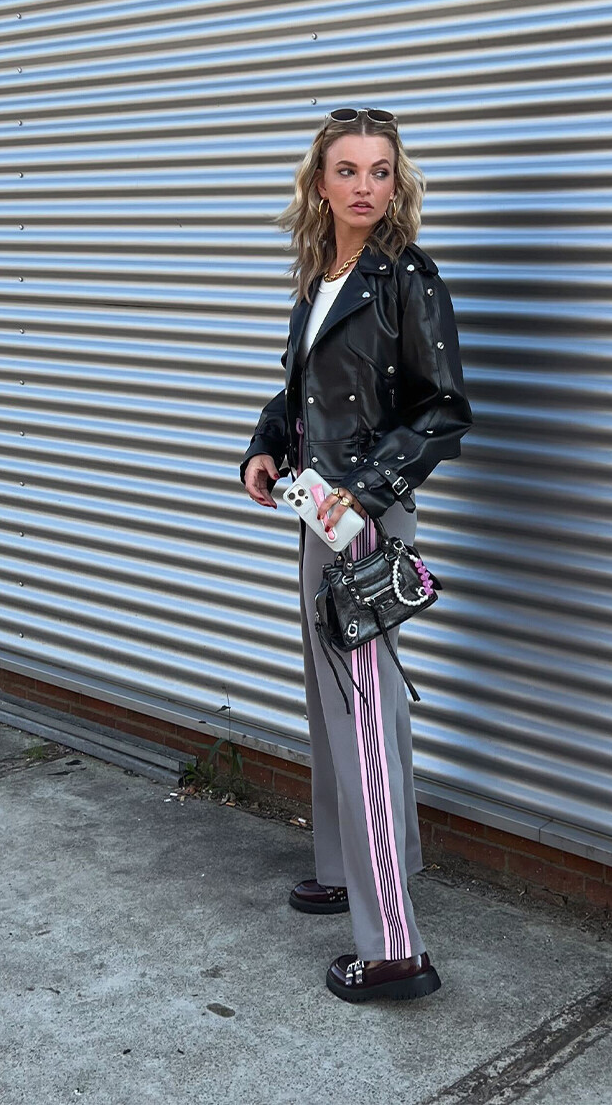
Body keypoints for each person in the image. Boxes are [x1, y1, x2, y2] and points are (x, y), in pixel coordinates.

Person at [239, 107, 473, 1002]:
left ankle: (394, 949)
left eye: (380, 171)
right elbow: (298, 390)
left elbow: (443, 410)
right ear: (320, 182)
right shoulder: (322, 275)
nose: (365, 187)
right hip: (317, 511)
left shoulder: (407, 277)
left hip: (363, 522)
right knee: (334, 699)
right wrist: (264, 445)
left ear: (397, 181)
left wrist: (365, 494)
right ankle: (352, 869)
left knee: (364, 719)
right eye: (348, 170)